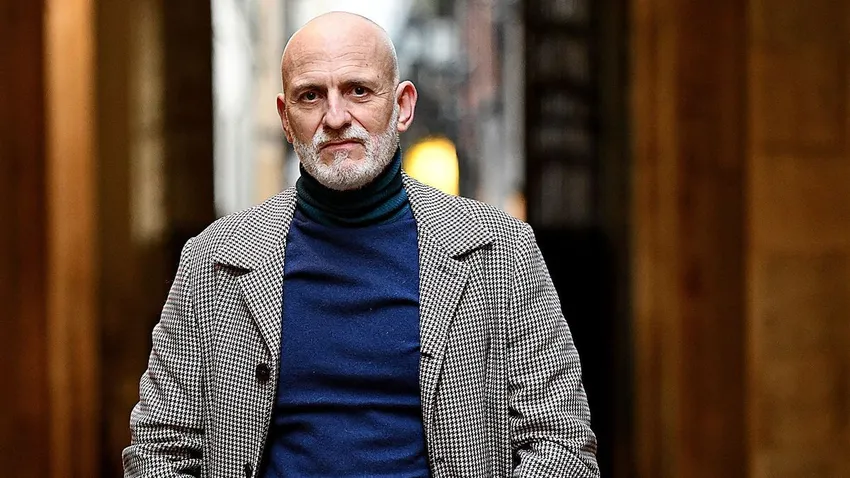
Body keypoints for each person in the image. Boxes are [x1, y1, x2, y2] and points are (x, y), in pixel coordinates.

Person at [123, 11, 599, 478]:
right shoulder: (213, 261)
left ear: (402, 107)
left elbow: (563, 445)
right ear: (286, 119)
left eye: (358, 91)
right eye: (311, 95)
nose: (335, 117)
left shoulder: (499, 251)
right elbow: (157, 450)